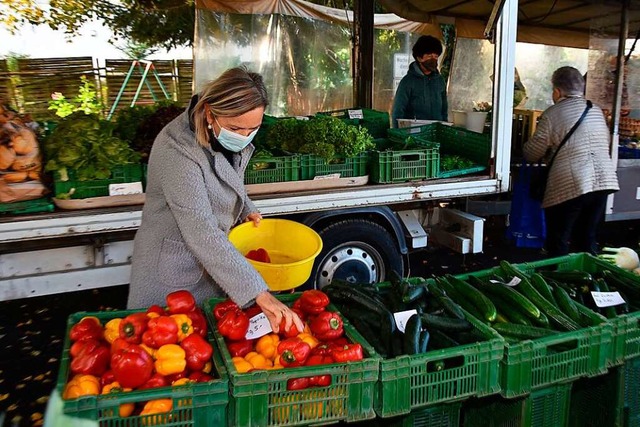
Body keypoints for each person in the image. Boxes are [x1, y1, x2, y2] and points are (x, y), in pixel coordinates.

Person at [127, 66, 303, 334]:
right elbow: (201, 229)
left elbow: (226, 180)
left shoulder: (222, 137)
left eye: (252, 129)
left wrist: (246, 207)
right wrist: (260, 293)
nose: (244, 138)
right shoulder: (177, 150)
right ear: (209, 112)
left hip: (212, 264)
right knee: (163, 341)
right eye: (236, 128)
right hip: (173, 272)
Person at [523, 66, 619, 256]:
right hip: (603, 181)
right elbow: (604, 141)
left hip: (571, 183)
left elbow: (533, 152)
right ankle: (589, 280)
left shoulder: (552, 113)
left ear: (557, 91)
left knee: (558, 239)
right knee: (587, 238)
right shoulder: (595, 110)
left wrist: (526, 148)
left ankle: (558, 277)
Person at [391, 35, 448, 127]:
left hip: (436, 133)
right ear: (419, 58)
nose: (433, 59)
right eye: (429, 56)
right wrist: (398, 135)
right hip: (414, 134)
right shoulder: (407, 82)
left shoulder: (440, 81)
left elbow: (444, 111)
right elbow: (397, 112)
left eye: (436, 56)